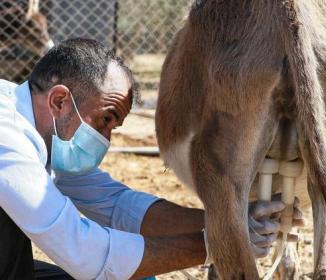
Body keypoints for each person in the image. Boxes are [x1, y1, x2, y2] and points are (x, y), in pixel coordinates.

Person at [0, 38, 305, 280]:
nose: (105, 140)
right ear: (59, 101)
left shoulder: (48, 135)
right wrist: (222, 244)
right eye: (105, 120)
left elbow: (116, 204)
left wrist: (234, 223)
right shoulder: (9, 142)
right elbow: (86, 256)